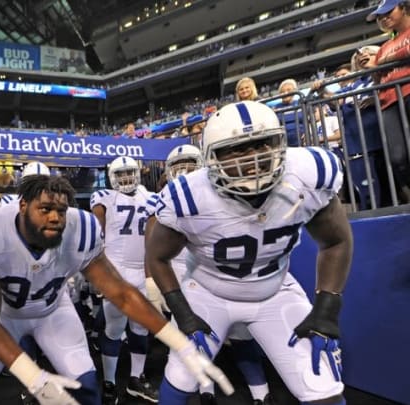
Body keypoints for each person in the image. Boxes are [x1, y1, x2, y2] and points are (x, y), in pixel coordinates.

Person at [0, 175, 233, 404]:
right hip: (6, 315)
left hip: (52, 310)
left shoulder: (81, 229)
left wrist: (180, 342)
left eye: (61, 211)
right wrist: (35, 377)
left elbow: (121, 293)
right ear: (22, 206)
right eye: (45, 209)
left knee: (86, 386)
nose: (55, 218)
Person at [146, 101, 352, 405]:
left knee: (322, 385)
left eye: (261, 143)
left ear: (280, 142)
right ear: (211, 157)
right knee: (181, 377)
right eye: (236, 149)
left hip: (275, 289)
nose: (253, 157)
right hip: (207, 292)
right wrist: (182, 311)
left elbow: (336, 242)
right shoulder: (188, 195)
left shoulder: (308, 174)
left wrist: (326, 308)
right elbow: (158, 256)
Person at [147, 144, 275, 405]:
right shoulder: (167, 198)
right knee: (196, 340)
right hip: (180, 272)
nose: (184, 171)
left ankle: (261, 394)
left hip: (219, 271)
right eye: (177, 167)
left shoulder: (226, 190)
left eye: (190, 165)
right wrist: (152, 279)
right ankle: (206, 390)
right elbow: (152, 246)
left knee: (241, 336)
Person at [90, 156, 157, 404]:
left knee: (141, 328)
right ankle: (109, 382)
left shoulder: (150, 197)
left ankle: (135, 378)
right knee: (114, 329)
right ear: (112, 177)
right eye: (121, 174)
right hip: (115, 272)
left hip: (141, 272)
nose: (126, 178)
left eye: (130, 172)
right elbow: (97, 231)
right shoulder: (104, 198)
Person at [366, 0, 410, 203]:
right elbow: (379, 79)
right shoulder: (383, 47)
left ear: (403, 7)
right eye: (379, 16)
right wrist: (371, 68)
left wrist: (381, 62)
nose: (383, 18)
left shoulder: (383, 53)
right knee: (398, 159)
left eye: (388, 12)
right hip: (389, 102)